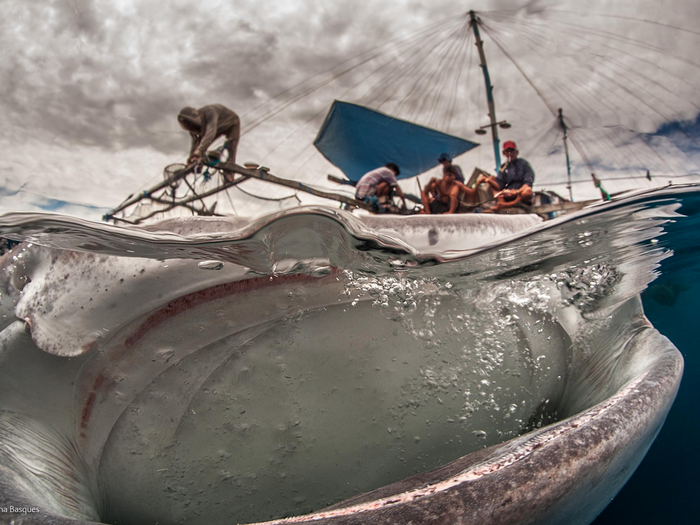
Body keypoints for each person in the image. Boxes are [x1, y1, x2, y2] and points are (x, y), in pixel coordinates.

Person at [476, 140, 534, 211]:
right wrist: (489, 180)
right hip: (507, 194)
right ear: (504, 153)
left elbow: (528, 182)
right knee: (493, 187)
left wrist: (516, 191)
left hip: (519, 193)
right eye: (508, 151)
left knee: (528, 191)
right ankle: (502, 204)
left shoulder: (523, 163)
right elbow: (499, 185)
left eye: (512, 151)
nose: (510, 153)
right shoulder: (503, 167)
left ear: (516, 152)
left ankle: (506, 205)